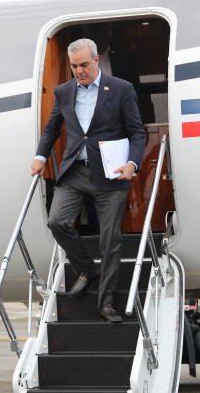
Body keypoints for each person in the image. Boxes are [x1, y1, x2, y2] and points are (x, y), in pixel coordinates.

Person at [32, 37, 145, 323]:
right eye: (74, 66)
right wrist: (41, 157)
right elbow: (52, 128)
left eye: (83, 64)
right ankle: (86, 267)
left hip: (110, 173)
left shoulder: (121, 89)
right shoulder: (63, 91)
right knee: (57, 221)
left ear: (96, 60)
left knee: (110, 240)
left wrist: (132, 163)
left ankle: (106, 304)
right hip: (75, 172)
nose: (79, 71)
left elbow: (137, 131)